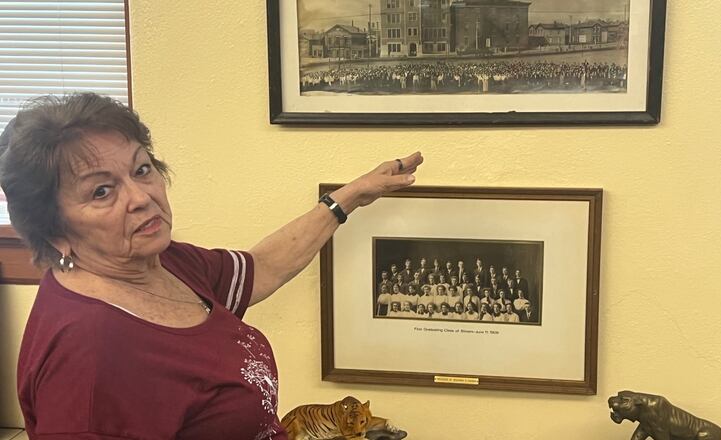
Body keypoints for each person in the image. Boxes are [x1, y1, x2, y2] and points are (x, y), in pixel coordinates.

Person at [2, 93, 423, 440]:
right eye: (101, 191)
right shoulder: (88, 353)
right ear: (52, 229)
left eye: (141, 169)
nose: (141, 196)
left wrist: (349, 196)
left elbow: (261, 267)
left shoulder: (163, 262)